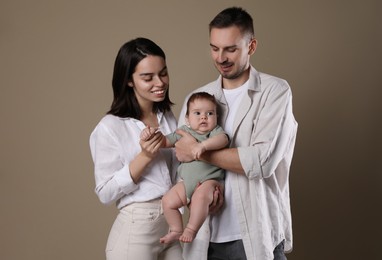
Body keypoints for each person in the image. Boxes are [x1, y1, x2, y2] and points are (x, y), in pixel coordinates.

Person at [175, 7, 298, 260]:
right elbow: (180, 163)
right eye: (214, 48)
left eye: (231, 49)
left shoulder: (275, 92)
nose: (221, 58)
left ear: (251, 46)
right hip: (204, 237)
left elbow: (262, 161)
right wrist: (193, 197)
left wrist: (198, 152)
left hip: (254, 235)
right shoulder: (196, 99)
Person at [89, 37, 183, 260]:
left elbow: (178, 169)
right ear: (129, 80)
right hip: (137, 230)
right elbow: (105, 193)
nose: (159, 83)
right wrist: (145, 157)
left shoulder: (166, 116)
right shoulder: (109, 127)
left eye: (163, 73)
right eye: (147, 77)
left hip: (171, 224)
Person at [140, 92, 229, 244]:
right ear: (187, 119)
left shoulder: (214, 133)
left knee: (201, 198)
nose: (204, 117)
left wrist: (203, 145)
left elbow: (224, 139)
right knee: (168, 201)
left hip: (210, 181)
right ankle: (176, 229)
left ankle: (191, 229)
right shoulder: (183, 132)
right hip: (186, 182)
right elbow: (164, 142)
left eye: (210, 113)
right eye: (197, 113)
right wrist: (149, 135)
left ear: (216, 117)